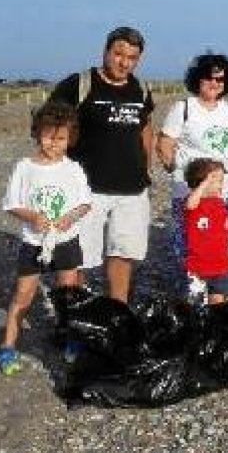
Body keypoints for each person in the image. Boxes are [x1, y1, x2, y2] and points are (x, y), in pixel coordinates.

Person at [49, 26, 153, 303]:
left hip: (132, 189)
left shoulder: (140, 88)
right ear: (106, 51)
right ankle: (72, 318)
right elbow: (52, 125)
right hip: (86, 189)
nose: (124, 62)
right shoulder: (79, 84)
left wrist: (146, 165)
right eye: (118, 54)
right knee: (77, 257)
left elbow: (145, 128)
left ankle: (116, 314)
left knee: (122, 253)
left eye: (132, 57)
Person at [0, 102, 92, 375]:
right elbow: (11, 204)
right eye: (48, 136)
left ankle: (70, 338)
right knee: (23, 295)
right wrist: (31, 216)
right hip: (33, 243)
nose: (53, 143)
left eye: (61, 138)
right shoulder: (24, 167)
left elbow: (85, 203)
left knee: (68, 293)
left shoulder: (73, 169)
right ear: (37, 133)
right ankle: (8, 346)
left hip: (66, 242)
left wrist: (69, 217)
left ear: (70, 139)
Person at [157, 53, 228, 294]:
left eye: (220, 79)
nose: (215, 83)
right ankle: (190, 294)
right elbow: (164, 144)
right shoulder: (184, 108)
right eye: (209, 78)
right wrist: (176, 172)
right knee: (190, 245)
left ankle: (219, 290)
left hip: (223, 191)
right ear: (198, 79)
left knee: (219, 241)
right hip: (190, 193)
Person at [183, 158, 228, 305]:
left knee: (219, 301)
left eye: (221, 181)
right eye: (217, 181)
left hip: (221, 264)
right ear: (202, 182)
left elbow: (226, 232)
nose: (221, 185)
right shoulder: (195, 203)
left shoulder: (220, 204)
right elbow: (190, 204)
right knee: (196, 303)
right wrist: (204, 184)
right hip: (199, 265)